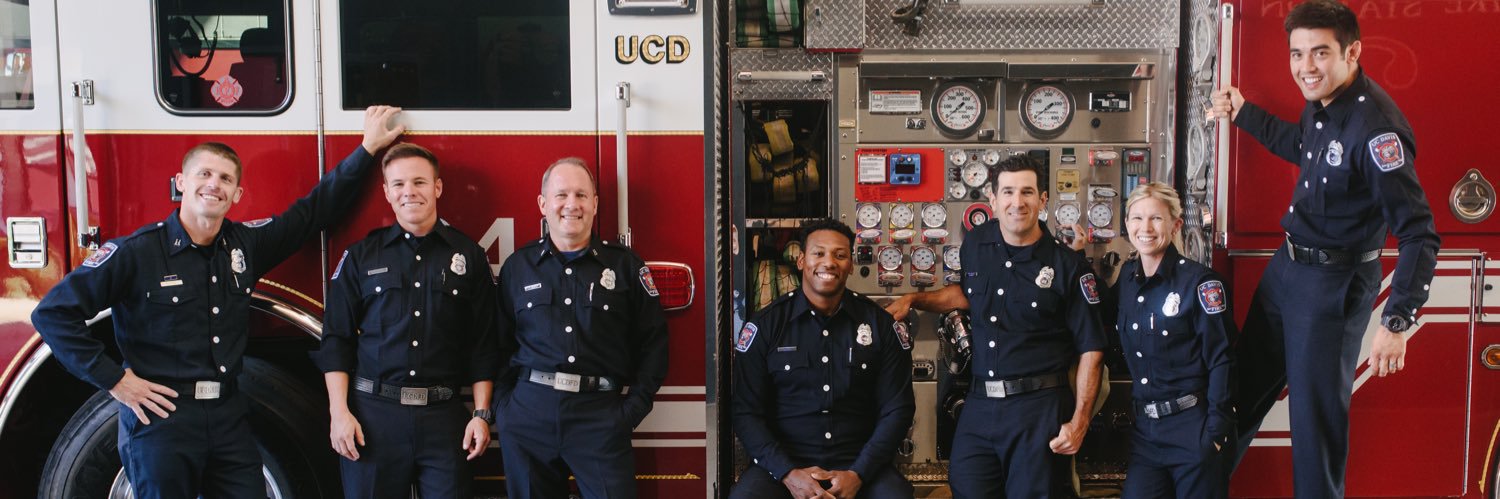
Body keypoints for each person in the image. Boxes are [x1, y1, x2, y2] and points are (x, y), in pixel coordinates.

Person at [29, 106, 404, 498]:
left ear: (237, 193)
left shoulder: (244, 245)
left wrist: (367, 148)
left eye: (225, 178)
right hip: (161, 420)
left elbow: (312, 213)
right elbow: (52, 315)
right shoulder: (137, 252)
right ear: (181, 182)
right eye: (204, 174)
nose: (215, 184)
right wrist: (116, 382)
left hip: (227, 418)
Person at [1207, 0, 1440, 495]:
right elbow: (1304, 148)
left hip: (1332, 290)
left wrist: (1398, 321)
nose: (1305, 68)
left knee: (1314, 433)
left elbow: (1419, 231)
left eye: (1319, 54)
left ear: (1352, 52)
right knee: (1232, 397)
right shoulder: (1324, 103)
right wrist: (1244, 113)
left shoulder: (1377, 131)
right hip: (1287, 270)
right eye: (1296, 54)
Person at [885, 154, 1107, 498]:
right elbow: (967, 295)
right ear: (992, 198)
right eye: (1008, 192)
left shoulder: (1067, 267)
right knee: (967, 485)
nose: (1017, 202)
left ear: (1043, 199)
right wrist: (914, 299)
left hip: (1039, 406)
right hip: (980, 402)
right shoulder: (977, 244)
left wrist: (1080, 421)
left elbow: (1092, 349)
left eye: (1027, 192)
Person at [314, 143, 499, 498]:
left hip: (444, 418)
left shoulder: (469, 256)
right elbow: (336, 340)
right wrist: (339, 413)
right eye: (398, 184)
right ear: (386, 192)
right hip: (372, 418)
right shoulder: (360, 256)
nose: (409, 192)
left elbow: (483, 344)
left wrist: (481, 414)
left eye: (419, 182)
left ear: (437, 188)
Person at [493, 157, 669, 499]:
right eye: (561, 195)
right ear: (543, 204)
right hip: (529, 414)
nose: (571, 204)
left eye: (581, 195)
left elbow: (654, 344)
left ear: (595, 204)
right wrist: (505, 409)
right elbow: (496, 343)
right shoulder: (518, 267)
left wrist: (630, 411)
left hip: (600, 416)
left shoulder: (626, 266)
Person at [730, 219, 916, 499]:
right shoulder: (767, 326)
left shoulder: (880, 326)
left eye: (840, 255)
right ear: (802, 260)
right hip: (785, 464)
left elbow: (897, 409)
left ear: (851, 264)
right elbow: (745, 412)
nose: (829, 262)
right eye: (818, 253)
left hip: (860, 462)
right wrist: (788, 474)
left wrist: (859, 474)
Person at [1108, 182, 1235, 498]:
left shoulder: (1201, 284)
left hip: (1193, 428)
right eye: (1136, 218)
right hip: (1146, 434)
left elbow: (1223, 359)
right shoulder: (1127, 278)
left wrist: (1215, 434)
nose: (1145, 228)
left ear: (1176, 224)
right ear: (1126, 224)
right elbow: (1096, 319)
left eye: (1156, 219)